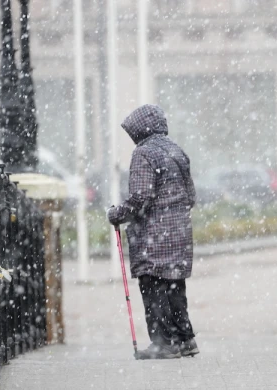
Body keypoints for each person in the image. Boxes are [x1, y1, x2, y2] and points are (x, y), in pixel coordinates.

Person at [107, 104, 198, 359]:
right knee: (174, 285)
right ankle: (185, 339)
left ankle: (163, 342)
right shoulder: (176, 150)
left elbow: (141, 197)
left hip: (153, 237)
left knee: (153, 284)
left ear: (138, 130)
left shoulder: (144, 153)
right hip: (179, 234)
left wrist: (116, 214)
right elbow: (191, 196)